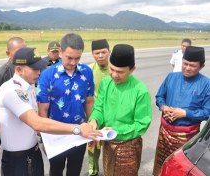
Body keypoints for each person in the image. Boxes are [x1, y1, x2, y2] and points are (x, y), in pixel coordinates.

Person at [0, 47, 101, 175]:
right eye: (34, 69)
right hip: (18, 160)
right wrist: (78, 129)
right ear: (19, 69)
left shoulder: (28, 87)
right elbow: (37, 123)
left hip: (32, 154)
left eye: (39, 68)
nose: (39, 72)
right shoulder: (11, 90)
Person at [89, 44, 152, 176]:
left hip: (128, 146)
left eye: (120, 72)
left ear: (132, 69)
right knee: (108, 172)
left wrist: (116, 132)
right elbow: (99, 107)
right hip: (108, 143)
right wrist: (94, 120)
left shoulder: (140, 91)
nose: (114, 75)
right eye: (112, 69)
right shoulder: (106, 83)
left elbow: (141, 124)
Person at [37, 33, 95, 176]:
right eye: (69, 57)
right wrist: (44, 139)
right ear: (61, 52)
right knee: (56, 171)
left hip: (80, 133)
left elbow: (89, 101)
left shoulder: (87, 72)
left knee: (74, 171)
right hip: (56, 133)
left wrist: (91, 130)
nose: (73, 62)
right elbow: (42, 110)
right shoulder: (47, 75)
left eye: (77, 58)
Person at [153, 46, 210, 176]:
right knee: (161, 166)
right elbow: (159, 96)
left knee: (179, 168)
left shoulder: (207, 84)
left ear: (201, 66)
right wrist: (163, 107)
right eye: (185, 64)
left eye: (192, 65)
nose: (187, 68)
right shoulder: (171, 77)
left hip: (185, 136)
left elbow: (207, 113)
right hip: (164, 132)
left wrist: (184, 113)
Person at [0, 37, 26, 147]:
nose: (22, 55)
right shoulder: (2, 74)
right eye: (18, 53)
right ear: (8, 53)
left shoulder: (24, 69)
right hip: (10, 127)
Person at [87, 39, 111, 176]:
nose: (100, 56)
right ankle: (93, 170)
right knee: (92, 146)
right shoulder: (88, 70)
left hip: (111, 115)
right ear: (92, 54)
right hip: (94, 115)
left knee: (111, 146)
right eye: (97, 53)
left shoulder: (115, 69)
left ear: (109, 52)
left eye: (103, 52)